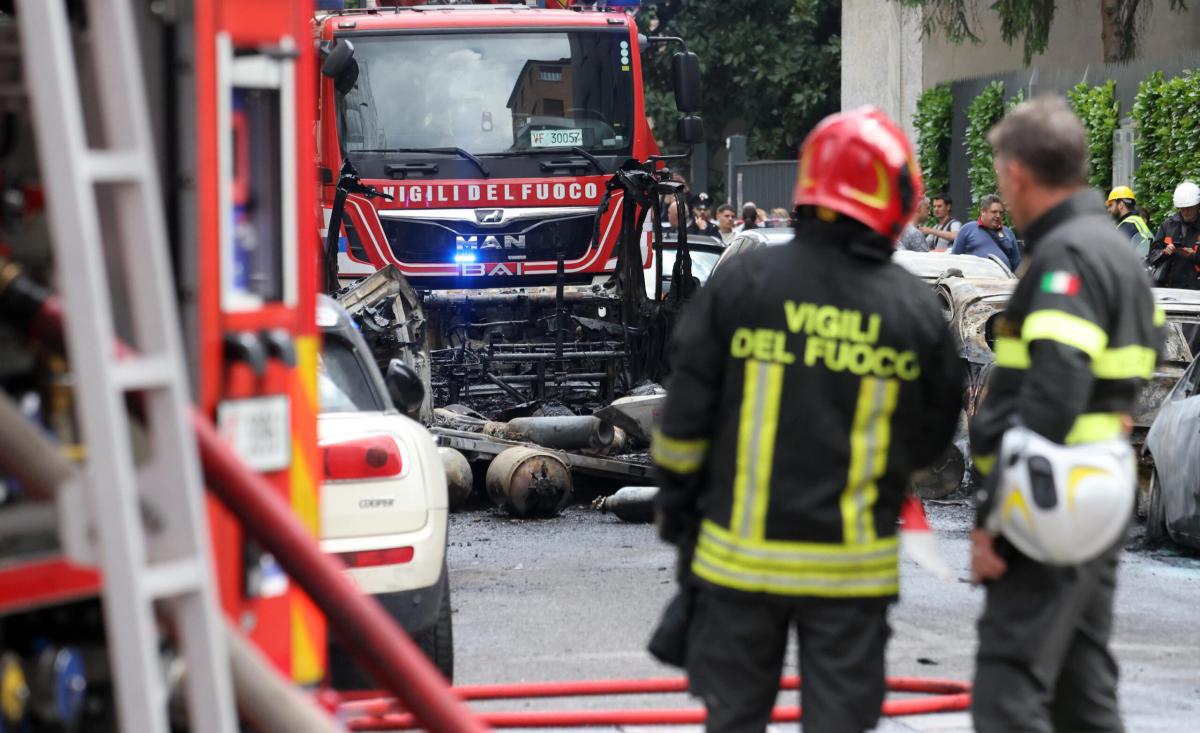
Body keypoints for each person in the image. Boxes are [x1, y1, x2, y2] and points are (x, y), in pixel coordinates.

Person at [652, 107, 963, 733]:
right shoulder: (911, 309)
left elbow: (682, 420)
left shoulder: (743, 283)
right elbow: (933, 432)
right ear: (893, 195)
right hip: (851, 572)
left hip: (737, 565)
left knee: (734, 718)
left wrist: (682, 516)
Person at [968, 96, 1161, 733]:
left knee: (1009, 685)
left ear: (1019, 172)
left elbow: (1048, 398)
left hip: (1052, 488)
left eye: (1000, 173)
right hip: (1099, 482)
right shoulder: (1113, 253)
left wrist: (995, 518)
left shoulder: (1063, 262)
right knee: (1081, 684)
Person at [1147, 180, 1200, 289]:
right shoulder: (1168, 225)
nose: (1186, 211)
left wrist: (1194, 256)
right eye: (1182, 208)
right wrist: (1164, 252)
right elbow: (1152, 254)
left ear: (1198, 205)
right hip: (1170, 288)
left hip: (1195, 289)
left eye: (1190, 207)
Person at [951, 194, 1021, 271]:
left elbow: (1017, 264)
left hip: (1004, 280)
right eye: (994, 212)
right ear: (983, 212)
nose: (998, 216)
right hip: (977, 280)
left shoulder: (1008, 232)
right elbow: (954, 259)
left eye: (1001, 213)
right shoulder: (967, 229)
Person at [1105, 186, 1153, 258]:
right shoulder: (1137, 221)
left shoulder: (1128, 226)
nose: (1109, 209)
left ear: (1121, 205)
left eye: (1111, 205)